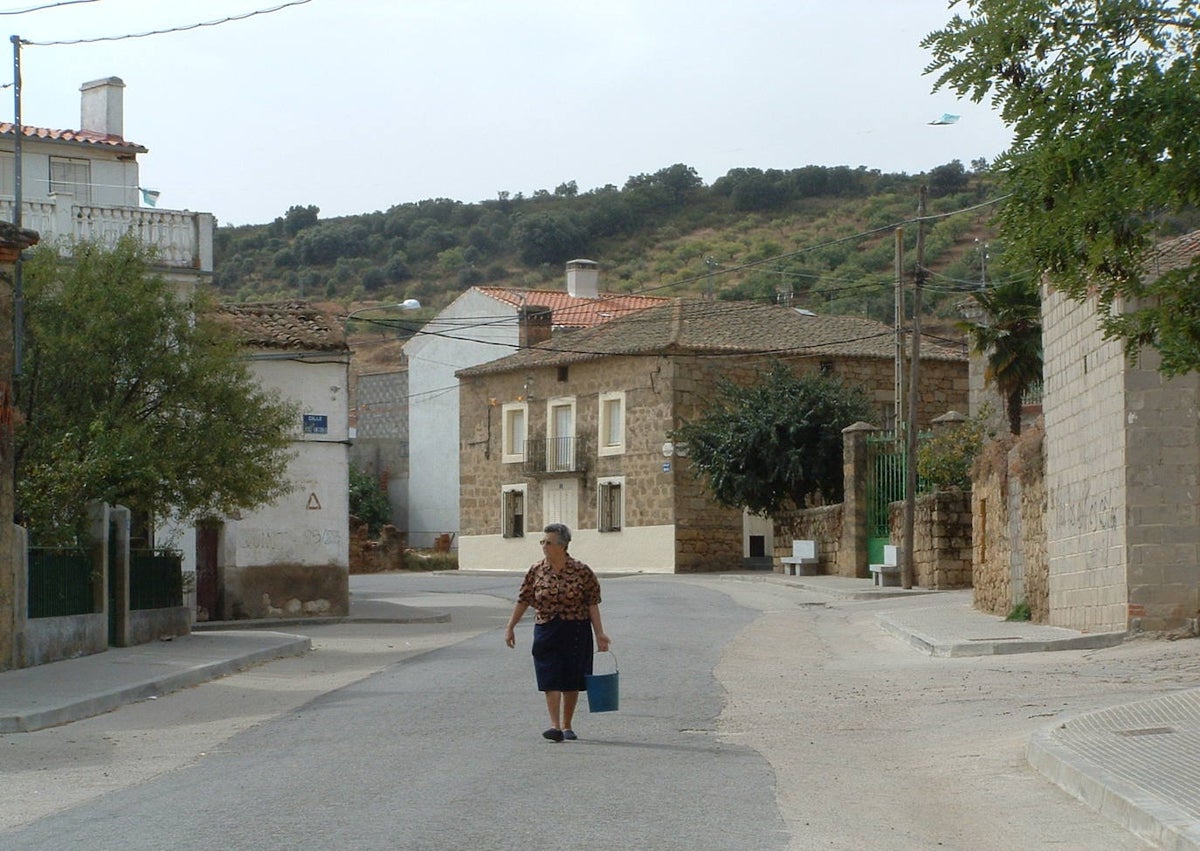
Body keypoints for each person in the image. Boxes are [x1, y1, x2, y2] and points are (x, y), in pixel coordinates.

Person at [505, 523, 611, 742]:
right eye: (542, 542)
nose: (544, 546)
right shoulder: (536, 570)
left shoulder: (581, 571)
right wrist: (510, 626)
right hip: (546, 628)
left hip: (576, 629)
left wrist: (600, 633)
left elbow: (592, 603)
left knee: (572, 677)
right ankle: (554, 726)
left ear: (562, 546)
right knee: (550, 676)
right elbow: (524, 599)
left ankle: (567, 725)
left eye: (548, 542)